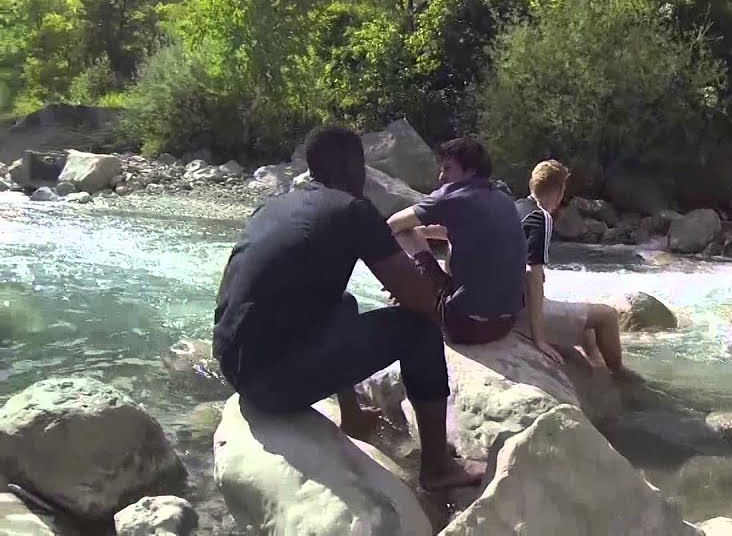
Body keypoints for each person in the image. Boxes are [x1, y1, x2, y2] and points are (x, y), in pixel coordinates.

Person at [212, 125, 485, 491]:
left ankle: (352, 417)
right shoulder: (354, 210)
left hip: (235, 364)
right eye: (362, 165)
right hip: (272, 384)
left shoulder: (274, 206)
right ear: (351, 165)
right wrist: (433, 280)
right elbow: (420, 302)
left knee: (343, 302)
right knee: (418, 331)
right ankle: (437, 467)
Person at [386, 137, 528, 345]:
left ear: (470, 171)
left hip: (466, 326)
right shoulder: (503, 198)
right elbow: (464, 233)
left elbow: (392, 225)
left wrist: (404, 277)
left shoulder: (451, 196)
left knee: (404, 233)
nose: (441, 176)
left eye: (448, 169)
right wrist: (424, 233)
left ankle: (418, 288)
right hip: (505, 323)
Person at [512, 160, 623, 371]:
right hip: (520, 312)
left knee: (587, 331)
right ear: (559, 190)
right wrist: (540, 338)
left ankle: (598, 373)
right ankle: (620, 377)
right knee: (607, 316)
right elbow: (533, 277)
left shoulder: (515, 207)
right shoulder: (540, 217)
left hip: (506, 303)